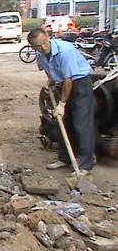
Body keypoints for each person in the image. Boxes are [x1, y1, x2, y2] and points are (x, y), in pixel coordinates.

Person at [28, 28, 96, 176]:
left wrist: (62, 104)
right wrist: (51, 80)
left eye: (44, 44)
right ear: (33, 47)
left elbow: (68, 79)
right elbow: (47, 69)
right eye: (38, 46)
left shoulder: (65, 51)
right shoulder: (40, 55)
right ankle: (65, 158)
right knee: (62, 123)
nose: (43, 48)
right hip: (63, 84)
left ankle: (85, 164)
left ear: (47, 37)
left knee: (81, 125)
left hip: (79, 84)